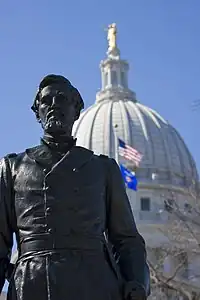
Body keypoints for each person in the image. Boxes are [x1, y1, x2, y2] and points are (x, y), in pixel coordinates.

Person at [0, 74, 150, 300]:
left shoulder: (103, 168)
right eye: (46, 101)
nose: (53, 106)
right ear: (37, 112)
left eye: (61, 99)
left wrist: (137, 282)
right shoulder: (12, 168)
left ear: (76, 110)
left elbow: (126, 239)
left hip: (94, 282)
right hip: (33, 284)